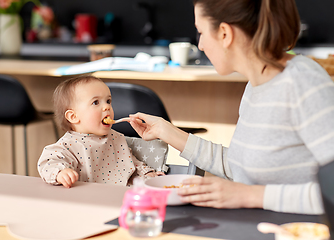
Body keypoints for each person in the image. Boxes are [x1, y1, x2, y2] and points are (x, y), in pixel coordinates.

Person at [129, 0, 334, 215]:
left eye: (201, 32)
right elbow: (241, 169)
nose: (200, 45)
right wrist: (166, 131)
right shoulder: (256, 85)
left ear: (225, 34)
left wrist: (249, 195)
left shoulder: (303, 82)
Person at [38, 76, 164, 188]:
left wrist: (146, 172)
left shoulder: (116, 137)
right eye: (95, 102)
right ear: (73, 117)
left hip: (123, 192)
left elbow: (130, 162)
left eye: (108, 101)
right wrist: (60, 173)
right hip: (89, 198)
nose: (107, 107)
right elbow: (48, 162)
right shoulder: (69, 146)